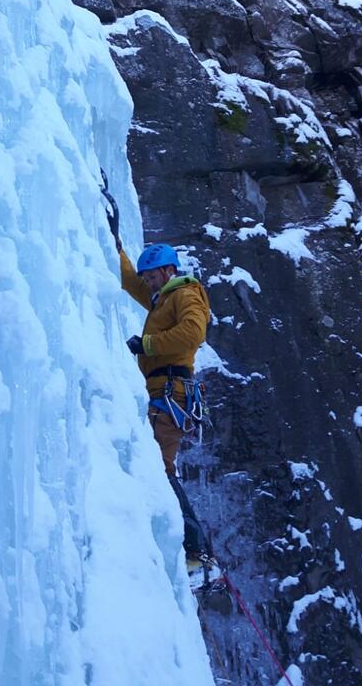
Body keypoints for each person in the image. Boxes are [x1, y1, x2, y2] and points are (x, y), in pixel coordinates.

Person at [120, 241, 213, 566]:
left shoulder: (185, 294)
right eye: (146, 278)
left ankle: (194, 546)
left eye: (151, 277)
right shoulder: (162, 298)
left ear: (168, 270)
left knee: (160, 468)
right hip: (162, 391)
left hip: (171, 393)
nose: (147, 283)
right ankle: (191, 544)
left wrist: (147, 345)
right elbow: (130, 282)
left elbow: (193, 333)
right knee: (157, 466)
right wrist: (116, 245)